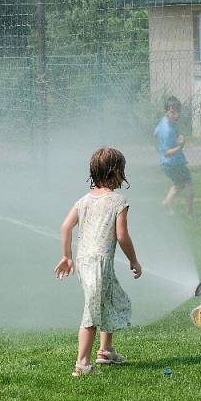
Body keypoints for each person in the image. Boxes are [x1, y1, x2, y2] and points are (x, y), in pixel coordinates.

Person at [54, 147, 142, 377]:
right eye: (122, 171)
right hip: (99, 262)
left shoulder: (84, 200)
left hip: (85, 261)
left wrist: (67, 256)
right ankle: (82, 364)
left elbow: (65, 226)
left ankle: (105, 351)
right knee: (92, 312)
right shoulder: (117, 201)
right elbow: (122, 236)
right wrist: (134, 260)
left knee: (109, 301)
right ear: (116, 172)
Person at [155, 96, 194, 216]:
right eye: (173, 112)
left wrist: (177, 138)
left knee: (179, 184)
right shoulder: (167, 131)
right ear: (167, 112)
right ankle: (190, 213)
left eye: (178, 112)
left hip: (168, 163)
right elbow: (166, 153)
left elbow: (155, 133)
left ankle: (167, 202)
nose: (176, 115)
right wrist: (180, 146)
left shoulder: (165, 121)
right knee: (189, 184)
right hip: (172, 163)